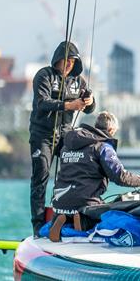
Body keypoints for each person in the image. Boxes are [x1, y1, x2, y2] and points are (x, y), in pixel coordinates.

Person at [29, 41, 96, 235]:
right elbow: (42, 104)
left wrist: (89, 102)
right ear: (58, 58)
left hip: (66, 135)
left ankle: (71, 217)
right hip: (42, 135)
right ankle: (38, 226)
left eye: (73, 61)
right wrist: (68, 105)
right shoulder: (44, 76)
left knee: (76, 171)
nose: (69, 64)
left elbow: (89, 107)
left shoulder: (78, 81)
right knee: (40, 177)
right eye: (67, 60)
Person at [48, 112, 140, 240]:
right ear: (111, 130)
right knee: (105, 217)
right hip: (86, 201)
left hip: (60, 201)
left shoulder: (67, 145)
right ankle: (83, 221)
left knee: (71, 208)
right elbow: (119, 176)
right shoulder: (103, 146)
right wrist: (138, 180)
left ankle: (65, 220)